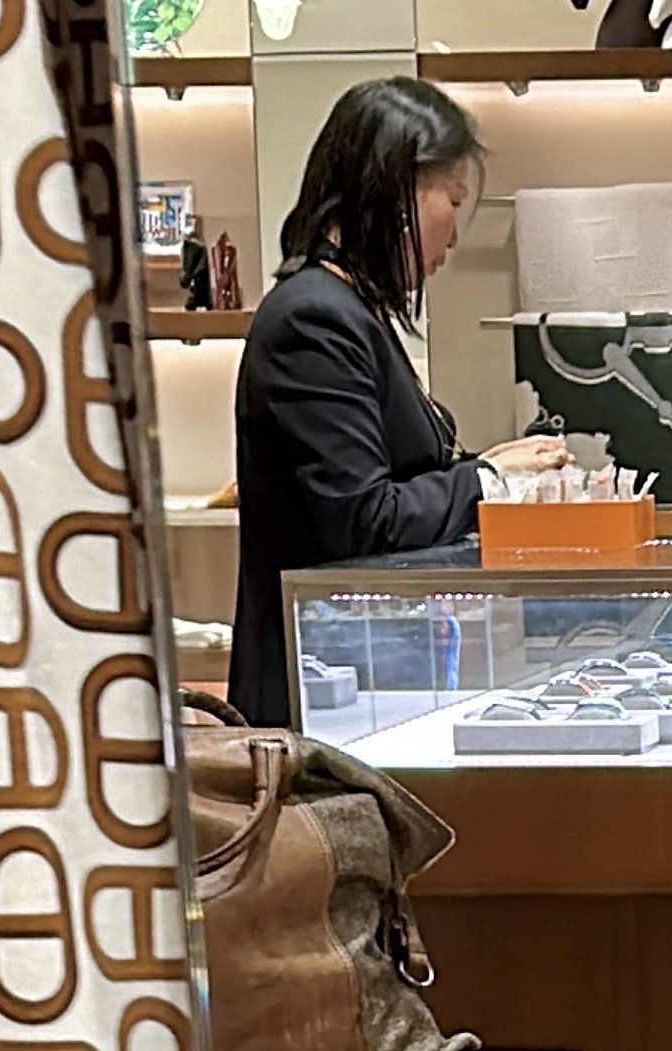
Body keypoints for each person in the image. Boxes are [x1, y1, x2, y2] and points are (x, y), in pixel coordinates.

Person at [229, 78, 565, 728]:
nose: (454, 237)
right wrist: (488, 478)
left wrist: (488, 467)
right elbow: (364, 519)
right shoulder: (313, 319)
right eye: (452, 201)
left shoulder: (348, 309)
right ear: (399, 192)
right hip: (322, 695)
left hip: (362, 679)